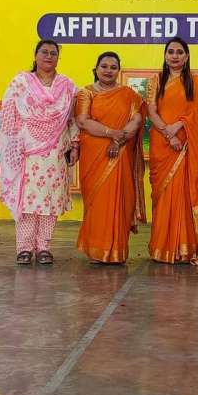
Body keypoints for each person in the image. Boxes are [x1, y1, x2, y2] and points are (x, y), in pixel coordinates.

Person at [0, 40, 79, 266]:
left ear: (58, 58)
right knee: (27, 201)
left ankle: (44, 247)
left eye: (54, 53)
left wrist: (75, 144)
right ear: (35, 55)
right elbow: (9, 114)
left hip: (55, 152)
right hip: (27, 151)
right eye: (44, 52)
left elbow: (72, 119)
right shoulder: (20, 83)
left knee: (50, 201)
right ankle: (24, 248)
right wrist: (15, 145)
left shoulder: (67, 86)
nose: (49, 56)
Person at [75, 52, 147, 264]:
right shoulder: (86, 93)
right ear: (96, 69)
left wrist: (118, 140)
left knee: (120, 201)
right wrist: (111, 133)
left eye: (113, 67)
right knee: (97, 203)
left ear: (118, 71)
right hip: (94, 156)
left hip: (121, 153)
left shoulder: (128, 94)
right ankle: (97, 251)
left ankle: (116, 252)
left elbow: (137, 120)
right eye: (104, 66)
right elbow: (83, 121)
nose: (108, 70)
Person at [147, 37, 198, 265]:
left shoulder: (196, 82)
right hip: (163, 144)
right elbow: (151, 111)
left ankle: (186, 248)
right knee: (164, 195)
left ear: (186, 56)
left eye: (179, 52)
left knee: (186, 194)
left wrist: (179, 126)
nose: (175, 56)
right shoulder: (156, 80)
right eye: (171, 52)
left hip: (187, 145)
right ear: (165, 56)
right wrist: (169, 133)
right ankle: (162, 248)